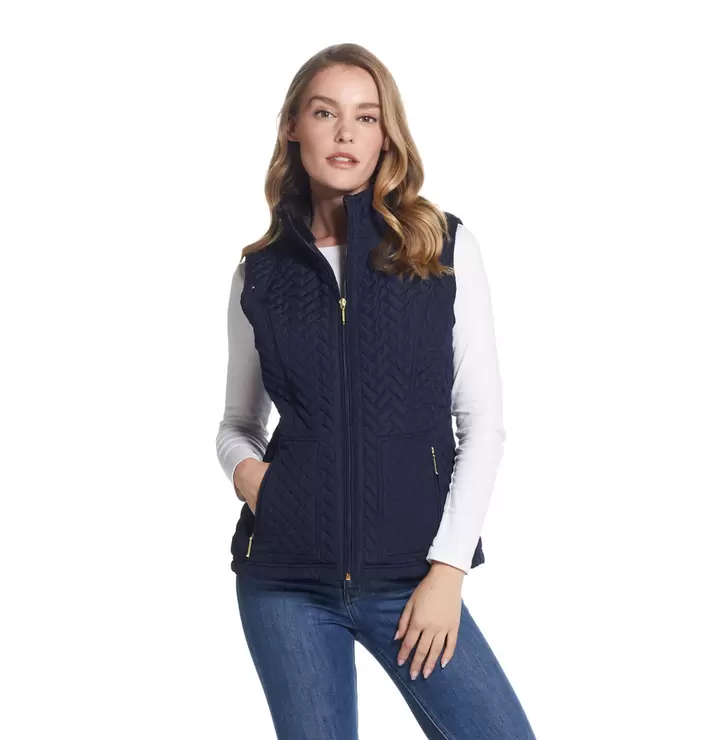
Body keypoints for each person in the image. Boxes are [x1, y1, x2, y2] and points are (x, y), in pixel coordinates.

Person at [216, 43, 537, 740]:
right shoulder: (259, 275)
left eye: (365, 117)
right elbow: (238, 420)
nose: (345, 133)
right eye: (324, 113)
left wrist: (448, 571)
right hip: (284, 583)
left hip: (412, 580)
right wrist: (248, 475)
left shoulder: (440, 247)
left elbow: (481, 423)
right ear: (293, 127)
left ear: (386, 134)